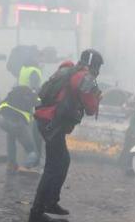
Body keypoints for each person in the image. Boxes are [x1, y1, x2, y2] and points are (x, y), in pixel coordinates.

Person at [29, 49, 103, 222]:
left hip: (46, 121)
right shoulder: (83, 77)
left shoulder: (68, 70)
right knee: (53, 167)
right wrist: (97, 97)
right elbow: (91, 108)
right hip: (52, 123)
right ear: (94, 65)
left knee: (60, 162)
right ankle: (37, 212)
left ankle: (48, 203)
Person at [0, 86, 39, 171]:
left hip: (3, 122)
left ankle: (11, 164)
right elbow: (40, 103)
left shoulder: (11, 95)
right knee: (31, 150)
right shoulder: (32, 95)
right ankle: (26, 167)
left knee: (11, 137)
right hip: (18, 124)